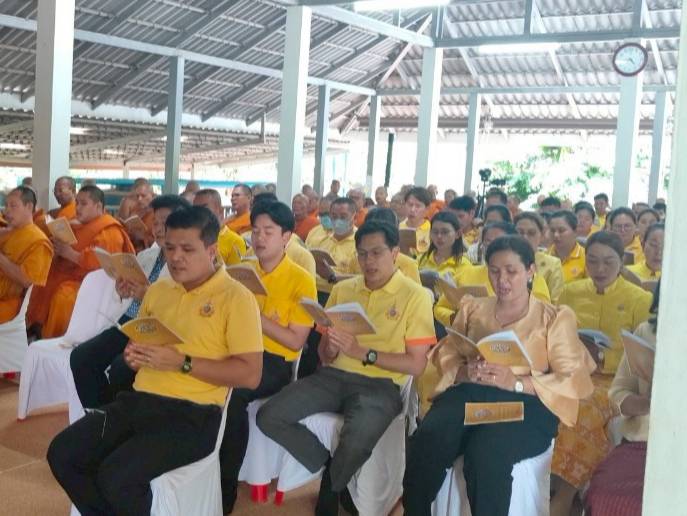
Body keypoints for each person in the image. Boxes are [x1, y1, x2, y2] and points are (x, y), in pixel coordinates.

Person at [47, 206, 264, 516]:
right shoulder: (159, 291)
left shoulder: (236, 298)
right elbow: (140, 346)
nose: (176, 257)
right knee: (63, 454)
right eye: (170, 248)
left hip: (193, 416)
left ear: (212, 250)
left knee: (115, 478)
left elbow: (250, 375)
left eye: (187, 249)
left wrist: (182, 363)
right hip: (139, 401)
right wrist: (134, 355)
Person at [403, 235, 595, 516]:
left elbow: (571, 377)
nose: (502, 280)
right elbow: (448, 352)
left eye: (511, 271)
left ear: (530, 271)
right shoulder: (474, 308)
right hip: (472, 393)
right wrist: (464, 371)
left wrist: (516, 382)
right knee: (430, 437)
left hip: (526, 404)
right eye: (494, 271)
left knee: (486, 453)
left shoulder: (552, 317)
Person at [257, 220, 436, 515]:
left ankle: (331, 485)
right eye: (362, 254)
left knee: (357, 436)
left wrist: (363, 352)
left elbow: (417, 364)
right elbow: (323, 353)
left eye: (376, 253)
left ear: (395, 253)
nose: (368, 261)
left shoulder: (414, 295)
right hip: (332, 376)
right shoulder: (344, 289)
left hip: (381, 385)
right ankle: (329, 467)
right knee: (269, 415)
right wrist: (330, 348)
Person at [220, 201, 317, 513]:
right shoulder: (243, 270)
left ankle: (225, 483)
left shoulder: (301, 279)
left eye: (268, 232)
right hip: (236, 349)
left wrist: (256, 317)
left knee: (233, 394)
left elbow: (295, 340)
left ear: (286, 236)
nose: (259, 238)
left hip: (274, 362)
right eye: (255, 231)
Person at [551, 231, 652, 516]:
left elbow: (641, 353)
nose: (600, 269)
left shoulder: (639, 299)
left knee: (584, 407)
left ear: (622, 262)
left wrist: (604, 358)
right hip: (571, 373)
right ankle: (546, 484)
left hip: (612, 380)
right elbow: (554, 336)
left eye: (609, 262)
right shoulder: (570, 292)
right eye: (593, 261)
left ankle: (565, 493)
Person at [70, 195, 190, 409]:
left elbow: (181, 307)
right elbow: (125, 299)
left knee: (121, 368)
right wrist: (122, 291)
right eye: (155, 222)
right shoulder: (146, 256)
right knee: (81, 358)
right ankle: (102, 416)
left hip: (154, 330)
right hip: (128, 322)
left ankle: (114, 417)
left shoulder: (187, 264)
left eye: (165, 222)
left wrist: (147, 295)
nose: (159, 228)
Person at [584, 282, 660, 516]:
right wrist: (648, 402)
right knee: (603, 495)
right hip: (643, 444)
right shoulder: (647, 332)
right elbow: (619, 392)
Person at [27, 185, 135, 339]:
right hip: (71, 275)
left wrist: (70, 254)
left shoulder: (110, 231)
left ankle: (57, 338)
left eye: (83, 204)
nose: (77, 208)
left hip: (93, 285)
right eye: (77, 203)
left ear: (98, 206)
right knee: (42, 281)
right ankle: (37, 328)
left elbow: (102, 264)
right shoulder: (79, 225)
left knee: (64, 297)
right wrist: (57, 248)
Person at [434, 222, 552, 327]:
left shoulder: (533, 280)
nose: (501, 279)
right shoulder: (466, 273)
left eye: (511, 271)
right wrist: (458, 319)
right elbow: (440, 308)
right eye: (488, 242)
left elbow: (543, 316)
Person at [0, 187, 53, 323]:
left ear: (29, 207)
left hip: (14, 303)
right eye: (6, 205)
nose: (6, 211)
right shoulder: (8, 233)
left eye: (13, 206)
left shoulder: (38, 241)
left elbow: (27, 280)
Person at [349, 207, 421, 285]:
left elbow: (414, 289)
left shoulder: (409, 264)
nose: (368, 261)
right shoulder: (355, 261)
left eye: (376, 252)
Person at [309, 197, 358, 304]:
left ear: (354, 218)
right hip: (314, 291)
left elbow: (363, 279)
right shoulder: (321, 239)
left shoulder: (359, 243)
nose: (338, 221)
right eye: (334, 216)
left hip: (342, 296)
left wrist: (333, 277)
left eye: (343, 217)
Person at [514, 211, 565, 303]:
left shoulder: (552, 264)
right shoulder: (502, 261)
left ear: (541, 236)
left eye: (531, 233)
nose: (525, 237)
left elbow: (556, 302)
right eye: (519, 232)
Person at [193, 189, 245, 266]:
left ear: (220, 211)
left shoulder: (235, 241)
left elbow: (236, 272)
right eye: (195, 210)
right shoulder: (190, 237)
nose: (198, 214)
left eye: (204, 209)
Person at [417, 211, 472, 279]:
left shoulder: (463, 264)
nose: (439, 236)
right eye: (435, 232)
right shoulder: (421, 259)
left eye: (445, 232)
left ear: (458, 234)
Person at [548, 210, 586, 283]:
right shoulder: (543, 256)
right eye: (552, 230)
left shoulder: (586, 258)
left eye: (561, 230)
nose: (556, 235)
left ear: (575, 232)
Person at [124, 180, 156, 252]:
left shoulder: (157, 214)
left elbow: (161, 242)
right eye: (137, 196)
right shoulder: (135, 210)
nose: (139, 199)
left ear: (152, 195)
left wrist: (143, 237)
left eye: (143, 196)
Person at [400, 186, 432, 255]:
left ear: (427, 209)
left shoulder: (431, 230)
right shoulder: (399, 227)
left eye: (418, 206)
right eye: (410, 205)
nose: (412, 209)